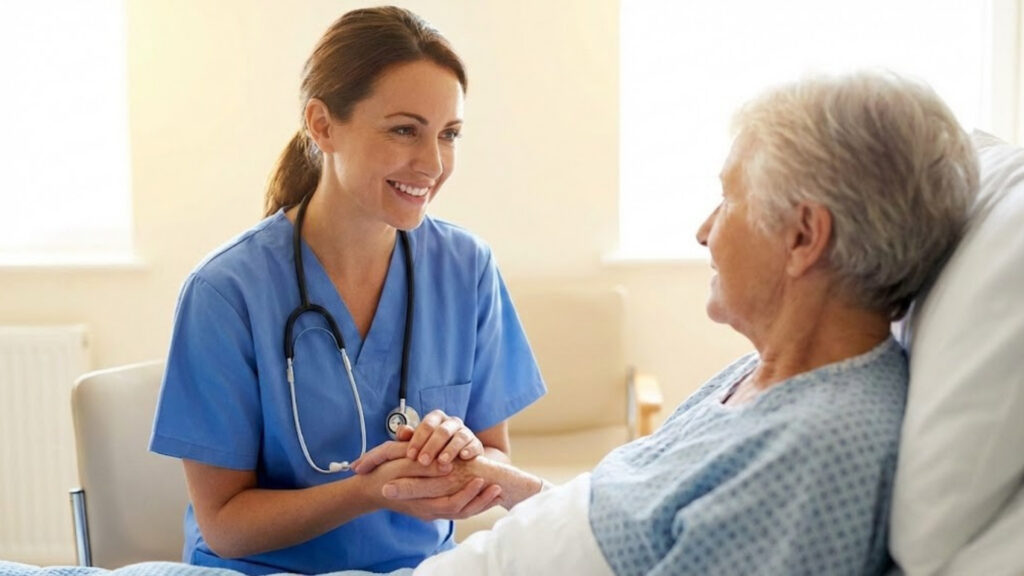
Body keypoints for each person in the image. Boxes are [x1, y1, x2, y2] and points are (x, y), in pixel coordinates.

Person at [353, 70, 980, 575]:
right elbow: (641, 528)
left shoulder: (819, 450)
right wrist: (500, 481)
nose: (705, 230)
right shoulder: (763, 377)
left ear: (803, 236)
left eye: (730, 199)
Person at [149, 6, 545, 575]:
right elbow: (226, 527)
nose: (432, 163)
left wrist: (458, 452)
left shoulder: (467, 268)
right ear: (323, 125)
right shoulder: (226, 291)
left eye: (449, 134)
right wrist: (370, 492)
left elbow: (495, 455)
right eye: (404, 129)